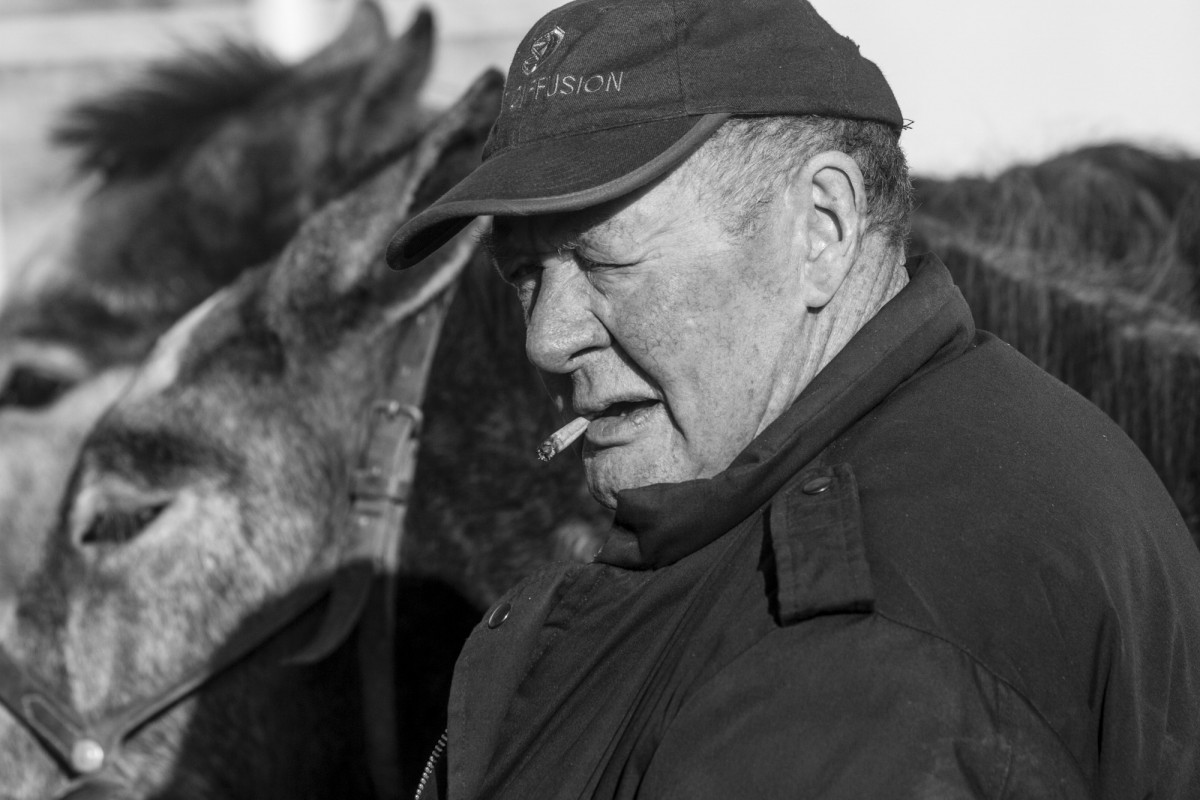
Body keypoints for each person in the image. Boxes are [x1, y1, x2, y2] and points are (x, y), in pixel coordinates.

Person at [387, 0, 1200, 796]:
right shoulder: (939, 447)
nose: (547, 339)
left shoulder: (864, 639)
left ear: (822, 226)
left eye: (603, 260)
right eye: (525, 275)